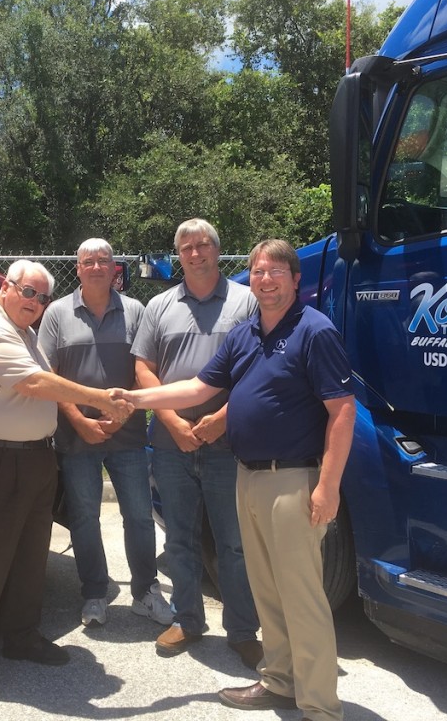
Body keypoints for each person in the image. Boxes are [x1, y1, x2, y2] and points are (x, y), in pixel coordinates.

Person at [119, 239, 356, 721]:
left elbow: (342, 410)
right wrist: (132, 399)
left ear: (295, 279)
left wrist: (327, 486)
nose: (266, 280)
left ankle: (320, 707)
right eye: (258, 272)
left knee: (301, 596)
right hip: (247, 477)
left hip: (292, 480)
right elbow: (197, 388)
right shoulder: (246, 334)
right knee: (267, 590)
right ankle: (280, 681)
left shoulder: (315, 331)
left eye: (276, 272)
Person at [0, 260, 134, 704]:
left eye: (43, 297)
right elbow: (32, 382)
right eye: (28, 292)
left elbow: (40, 383)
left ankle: (21, 636)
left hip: (31, 460)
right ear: (5, 287)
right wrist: (99, 398)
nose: (36, 303)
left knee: (29, 558)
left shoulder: (23, 332)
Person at [130, 218, 263, 669]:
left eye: (202, 245)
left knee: (235, 544)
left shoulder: (247, 301)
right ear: (178, 255)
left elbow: (261, 368)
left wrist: (220, 421)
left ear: (217, 249)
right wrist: (169, 421)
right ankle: (187, 621)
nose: (194, 253)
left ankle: (243, 630)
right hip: (170, 443)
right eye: (185, 247)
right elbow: (143, 369)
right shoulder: (160, 305)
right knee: (181, 540)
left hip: (230, 441)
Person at [38, 238, 173, 629]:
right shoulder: (57, 314)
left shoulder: (135, 311)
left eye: (103, 260)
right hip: (76, 437)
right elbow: (49, 378)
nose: (96, 267)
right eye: (88, 261)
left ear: (115, 268)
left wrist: (120, 416)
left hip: (128, 435)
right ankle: (94, 593)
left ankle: (145, 592)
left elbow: (145, 372)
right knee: (84, 518)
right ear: (77, 268)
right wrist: (79, 420)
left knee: (139, 518)